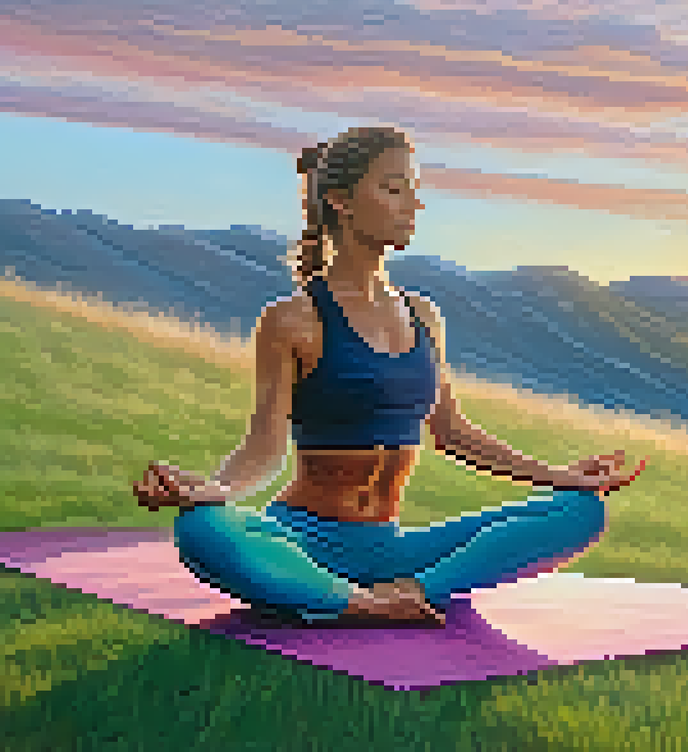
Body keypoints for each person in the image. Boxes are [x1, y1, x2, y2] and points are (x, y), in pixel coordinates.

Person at [131, 126, 648, 627]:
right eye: (394, 189)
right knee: (202, 529)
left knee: (582, 513)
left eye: (414, 191)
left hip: (390, 546)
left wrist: (563, 477)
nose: (413, 205)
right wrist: (212, 490)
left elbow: (451, 432)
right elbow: (264, 448)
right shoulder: (292, 320)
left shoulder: (423, 315)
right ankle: (356, 602)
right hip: (300, 539)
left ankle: (409, 594)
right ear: (341, 201)